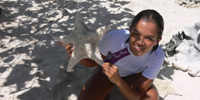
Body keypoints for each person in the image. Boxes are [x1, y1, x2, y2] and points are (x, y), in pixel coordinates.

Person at [58, 9, 165, 100]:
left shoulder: (157, 55)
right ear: (130, 30)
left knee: (151, 97)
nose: (140, 42)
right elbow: (93, 63)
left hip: (134, 77)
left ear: (157, 41)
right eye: (136, 34)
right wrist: (77, 54)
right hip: (107, 71)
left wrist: (118, 80)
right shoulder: (114, 38)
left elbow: (137, 96)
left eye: (149, 38)